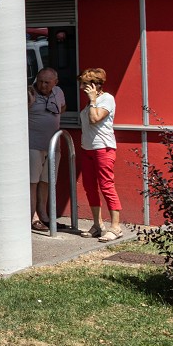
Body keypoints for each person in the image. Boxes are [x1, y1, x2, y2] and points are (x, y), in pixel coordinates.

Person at [78, 68, 125, 242]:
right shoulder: (90, 102)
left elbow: (95, 119)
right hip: (87, 148)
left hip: (103, 148)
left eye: (84, 83)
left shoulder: (107, 99)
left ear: (95, 85)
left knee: (106, 185)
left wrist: (92, 101)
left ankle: (116, 227)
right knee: (89, 187)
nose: (81, 87)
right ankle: (97, 225)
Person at [27, 68, 65, 232]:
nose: (42, 85)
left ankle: (44, 215)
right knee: (32, 182)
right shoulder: (29, 92)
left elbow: (63, 107)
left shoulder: (58, 92)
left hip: (52, 145)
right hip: (33, 144)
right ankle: (32, 217)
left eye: (47, 82)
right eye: (40, 81)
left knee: (47, 181)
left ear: (55, 83)